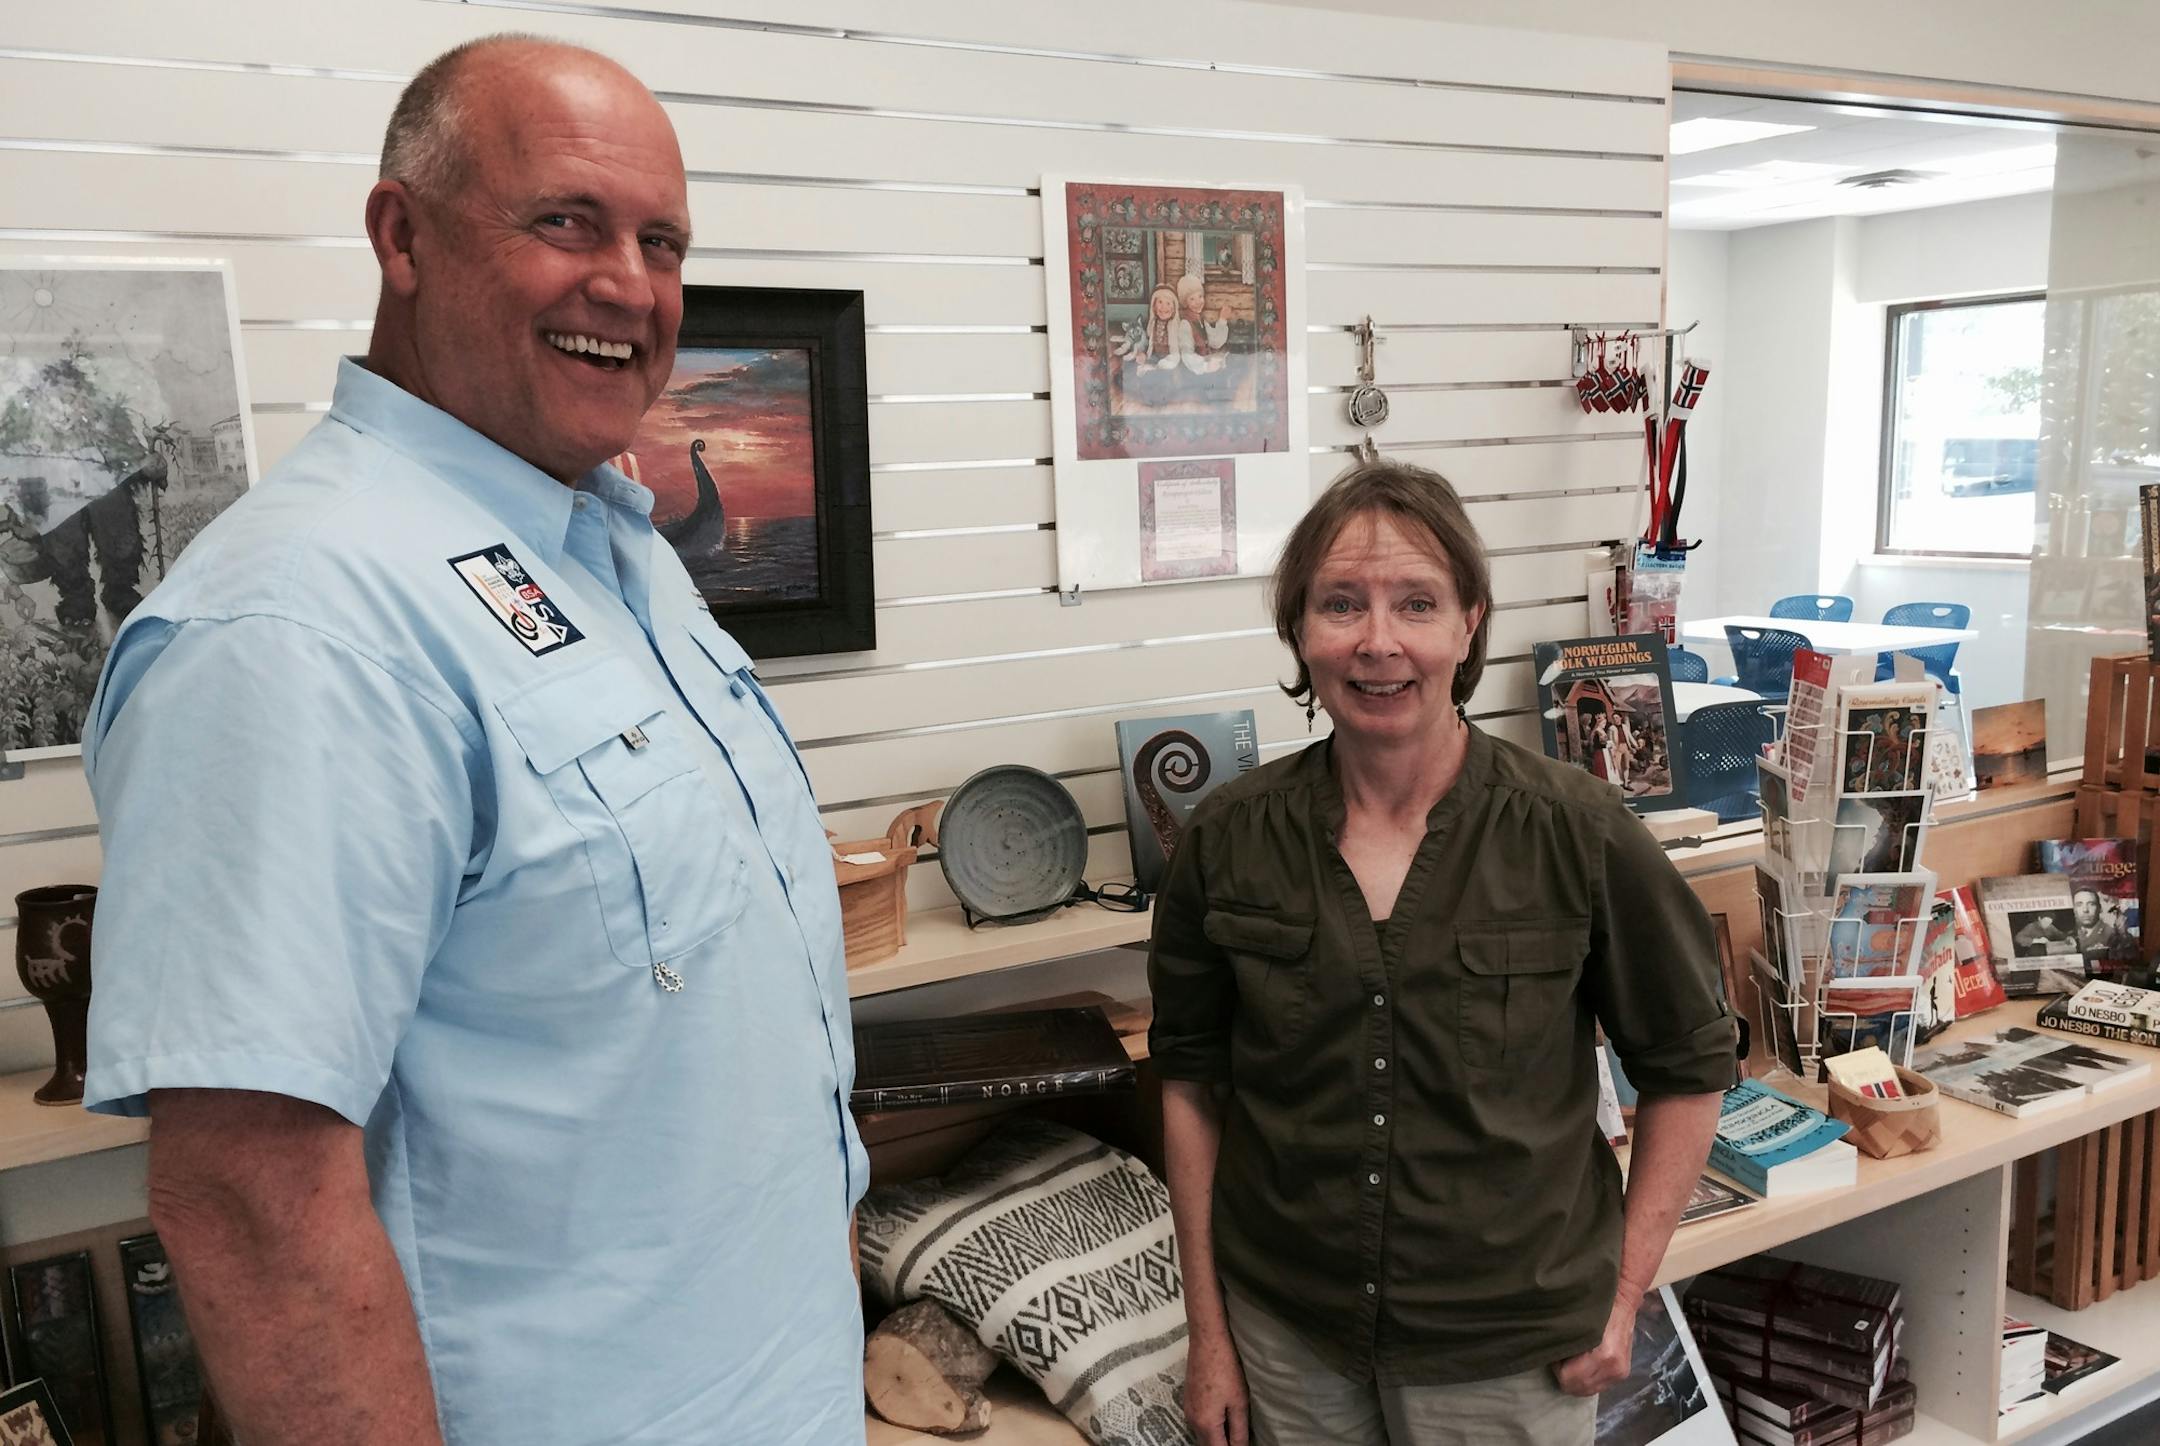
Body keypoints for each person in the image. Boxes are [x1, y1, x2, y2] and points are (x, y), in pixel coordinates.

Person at [79, 36, 866, 1446]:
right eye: (566, 221)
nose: (629, 285)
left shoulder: (609, 547)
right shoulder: (300, 624)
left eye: (662, 241)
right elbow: (255, 1199)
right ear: (402, 236)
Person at [1148, 459, 1736, 1446]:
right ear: (1300, 629)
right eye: (1341, 603)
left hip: (1509, 1351)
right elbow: (1191, 1086)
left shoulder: (1574, 828)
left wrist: (1626, 1288)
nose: (1378, 642)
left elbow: (1690, 1064)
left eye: (1416, 602)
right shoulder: (1227, 838)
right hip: (1289, 1341)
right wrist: (1210, 1335)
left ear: (1468, 624)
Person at [2072, 888, 2127, 958]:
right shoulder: (2071, 935)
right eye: (2079, 905)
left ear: (2100, 908)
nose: (2085, 910)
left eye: (2091, 904)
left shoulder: (2113, 935)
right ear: (2074, 909)